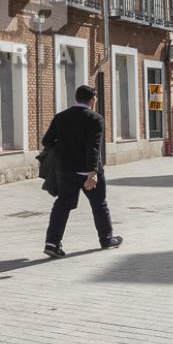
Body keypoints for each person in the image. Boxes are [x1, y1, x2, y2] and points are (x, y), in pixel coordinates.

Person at [40, 84, 122, 258]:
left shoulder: (60, 117)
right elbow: (94, 147)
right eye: (95, 98)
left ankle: (52, 243)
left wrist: (63, 150)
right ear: (92, 100)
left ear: (76, 98)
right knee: (99, 205)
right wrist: (93, 172)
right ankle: (106, 239)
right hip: (87, 172)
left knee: (62, 205)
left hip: (66, 171)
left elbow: (46, 141)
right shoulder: (95, 118)